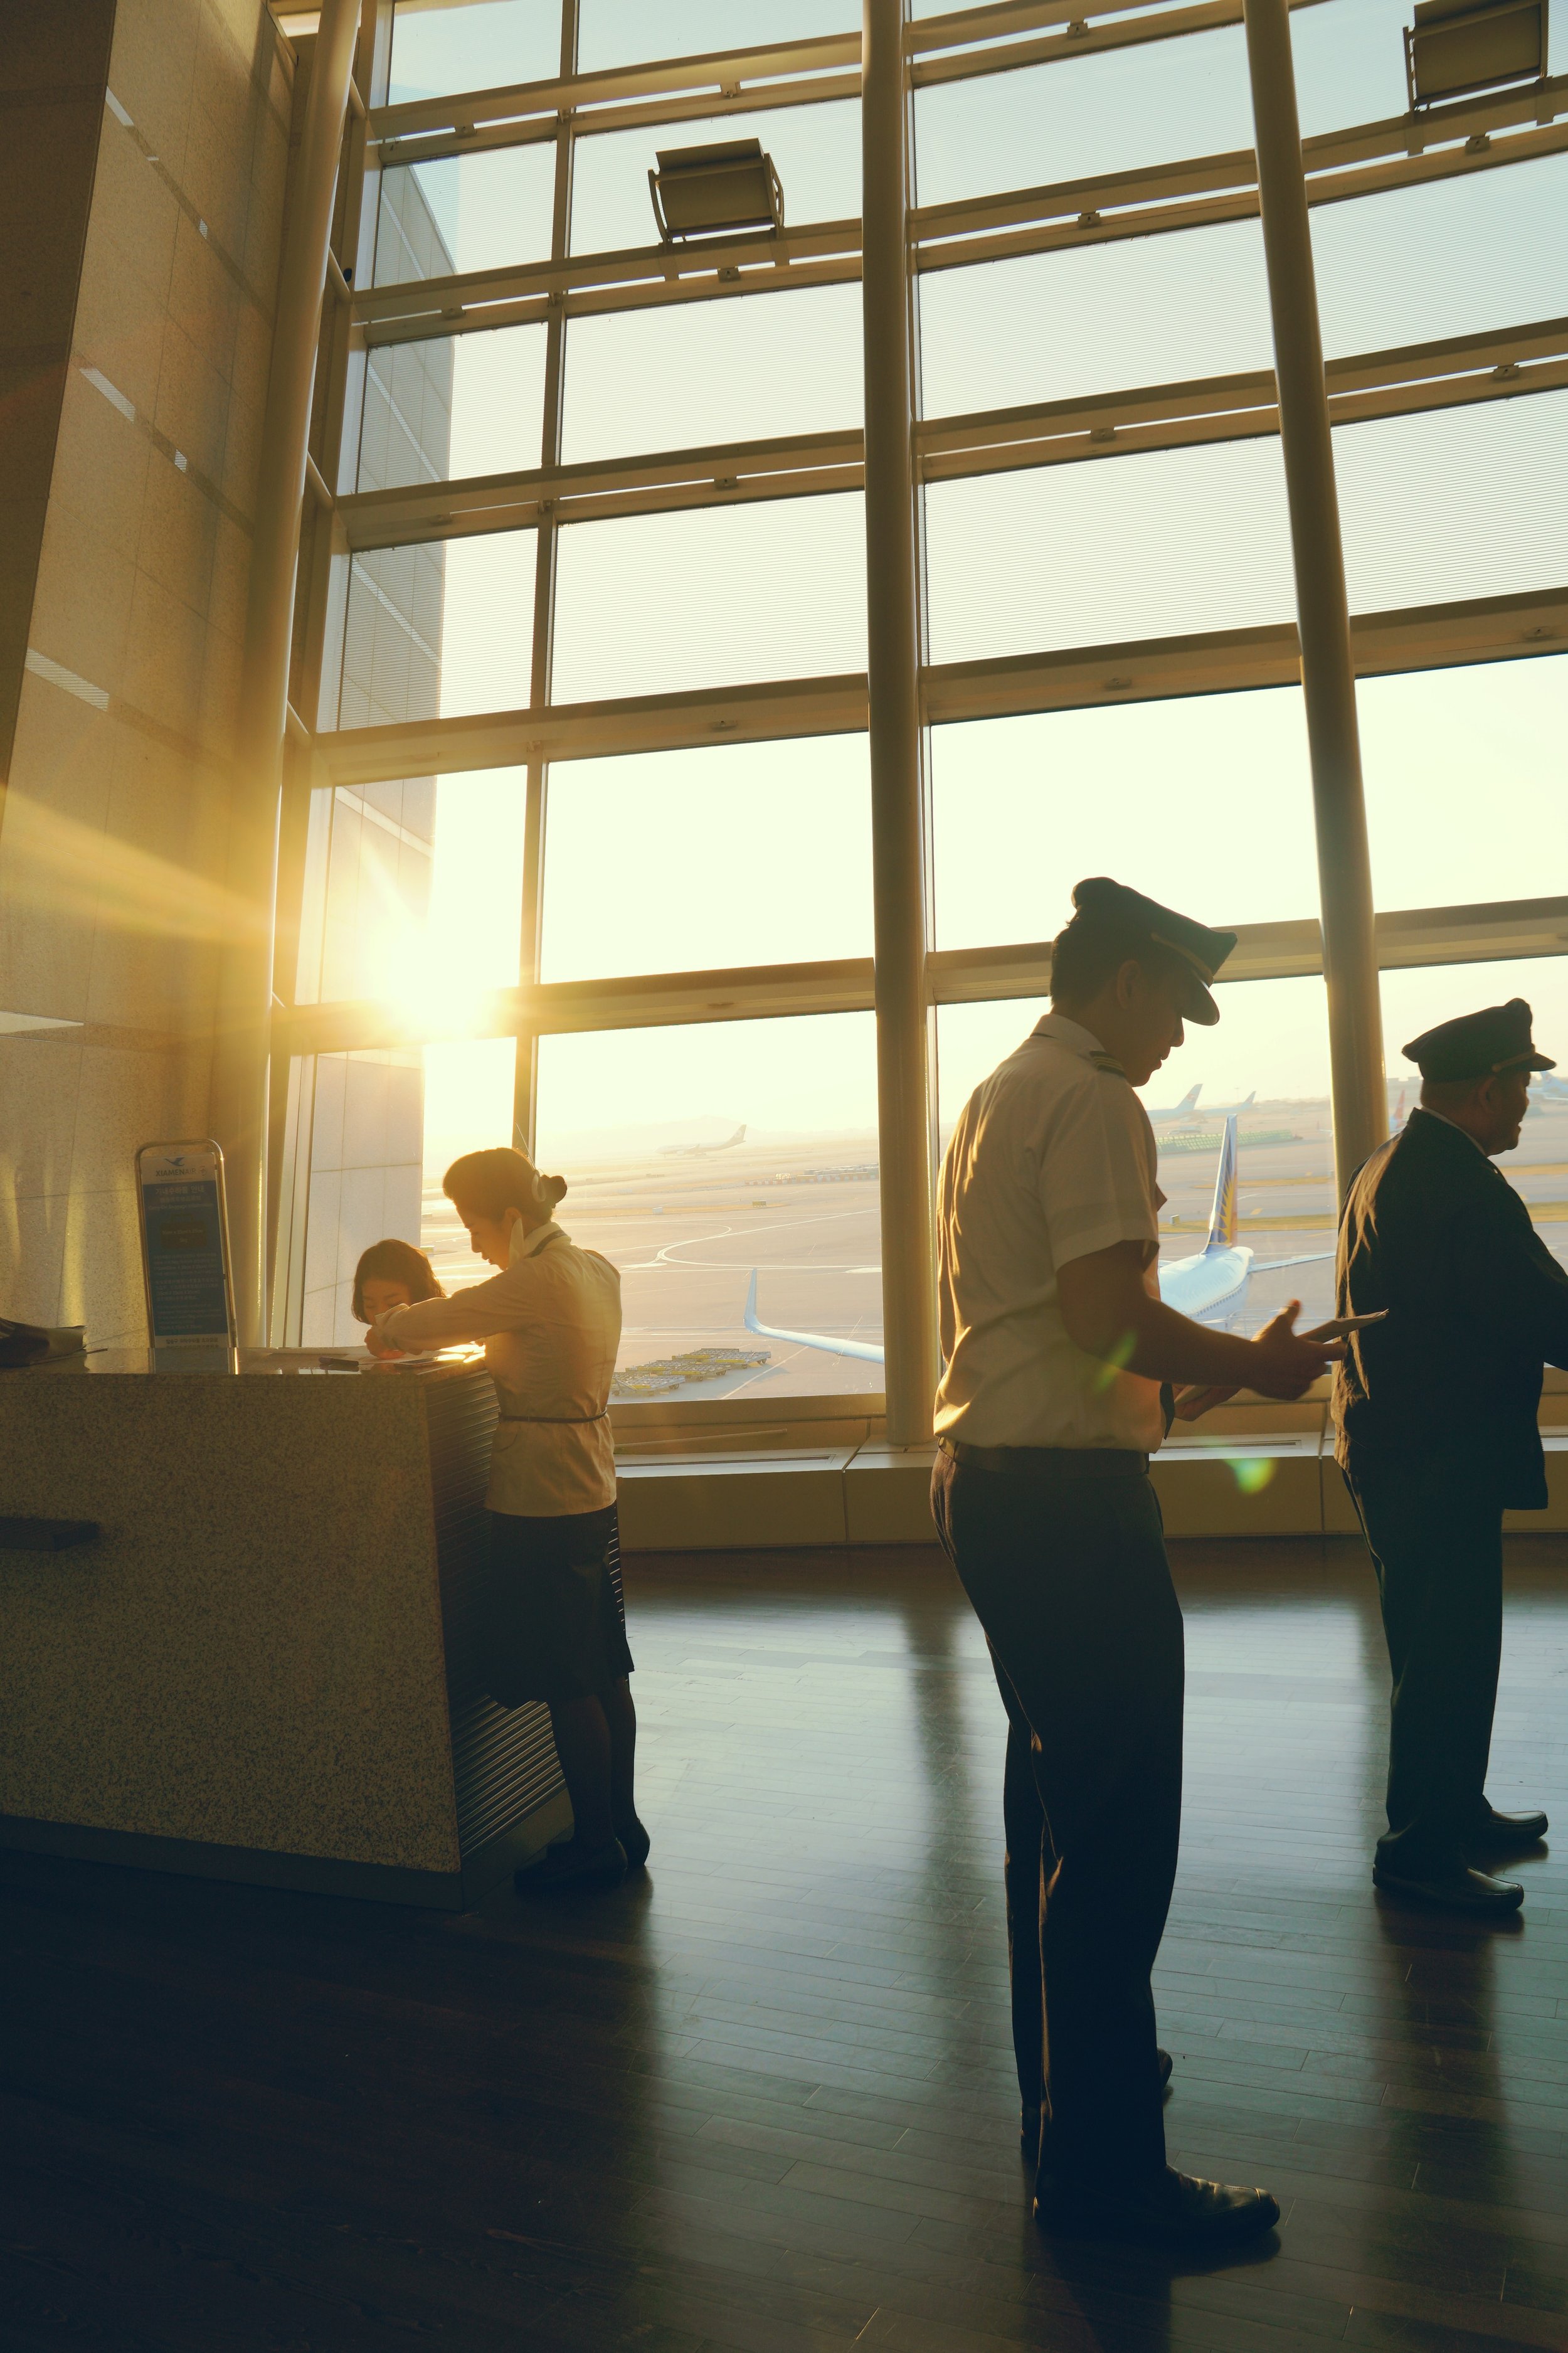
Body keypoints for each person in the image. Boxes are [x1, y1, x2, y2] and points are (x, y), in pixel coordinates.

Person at [931, 876, 1342, 2251]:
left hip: (991, 1489)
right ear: (1121, 984)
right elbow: (1106, 1313)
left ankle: (1063, 2145)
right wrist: (1263, 1366)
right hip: (1066, 1518)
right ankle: (1110, 2184)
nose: (1176, 1034)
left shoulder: (993, 1092)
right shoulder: (1095, 1095)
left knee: (1050, 1830)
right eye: (1173, 1002)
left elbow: (1045, 1342)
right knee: (1116, 1849)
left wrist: (1187, 1393)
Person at [1335, 999, 1567, 1918]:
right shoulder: (1457, 1180)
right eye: (1521, 1087)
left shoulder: (1391, 1160)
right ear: (1484, 1089)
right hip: (1436, 1461)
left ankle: (1452, 1810)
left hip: (1400, 1450)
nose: (1524, 1106)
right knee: (1447, 1654)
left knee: (1444, 1650)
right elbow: (1537, 1303)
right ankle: (1420, 1853)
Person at [366, 1145, 647, 1891]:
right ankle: (621, 1823)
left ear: (512, 1217)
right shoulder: (594, 1268)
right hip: (592, 1482)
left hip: (538, 1496)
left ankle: (591, 1847)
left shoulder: (535, 1279)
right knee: (604, 1666)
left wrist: (387, 1323)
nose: (471, 1241)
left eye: (473, 1223)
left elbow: (442, 1320)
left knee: (566, 1678)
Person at [351, 1238, 443, 1327]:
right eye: (370, 1306)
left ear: (421, 1298)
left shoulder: (441, 1336)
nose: (380, 1316)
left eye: (393, 1304)